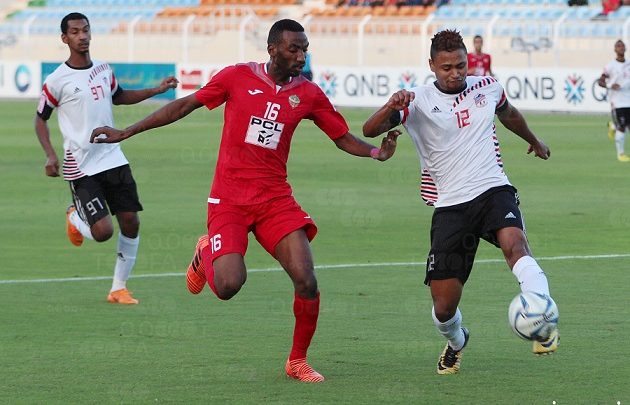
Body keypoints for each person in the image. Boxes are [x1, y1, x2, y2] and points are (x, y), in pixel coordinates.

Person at [90, 19, 399, 382]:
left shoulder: (309, 94)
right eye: (294, 49)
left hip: (275, 201)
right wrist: (127, 131)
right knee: (227, 286)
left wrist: (376, 152)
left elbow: (341, 136)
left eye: (304, 49)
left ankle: (297, 361)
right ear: (272, 49)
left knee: (307, 280)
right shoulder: (237, 76)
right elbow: (184, 105)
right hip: (230, 199)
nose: (301, 56)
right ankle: (205, 250)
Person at [363, 29, 559, 375]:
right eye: (446, 68)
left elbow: (509, 113)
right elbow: (369, 130)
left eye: (460, 66)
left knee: (516, 246)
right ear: (431, 65)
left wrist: (534, 139)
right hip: (451, 205)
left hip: (493, 188)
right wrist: (391, 106)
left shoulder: (488, 87)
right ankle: (457, 341)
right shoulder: (417, 101)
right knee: (443, 308)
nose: (455, 74)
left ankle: (543, 316)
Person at [34, 12, 178, 304]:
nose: (82, 36)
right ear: (64, 38)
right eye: (75, 32)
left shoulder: (103, 68)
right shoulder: (56, 80)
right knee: (102, 232)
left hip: (113, 156)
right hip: (81, 165)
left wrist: (157, 90)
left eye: (86, 30)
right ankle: (74, 217)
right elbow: (40, 119)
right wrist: (50, 155)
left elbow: (119, 96)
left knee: (131, 222)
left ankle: (118, 288)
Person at [597, 39, 630, 162]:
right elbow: (600, 81)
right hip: (618, 102)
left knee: (626, 127)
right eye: (618, 46)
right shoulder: (610, 66)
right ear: (615, 49)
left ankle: (613, 126)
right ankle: (620, 154)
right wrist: (610, 85)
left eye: (622, 46)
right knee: (622, 127)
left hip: (629, 100)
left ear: (625, 48)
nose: (621, 48)